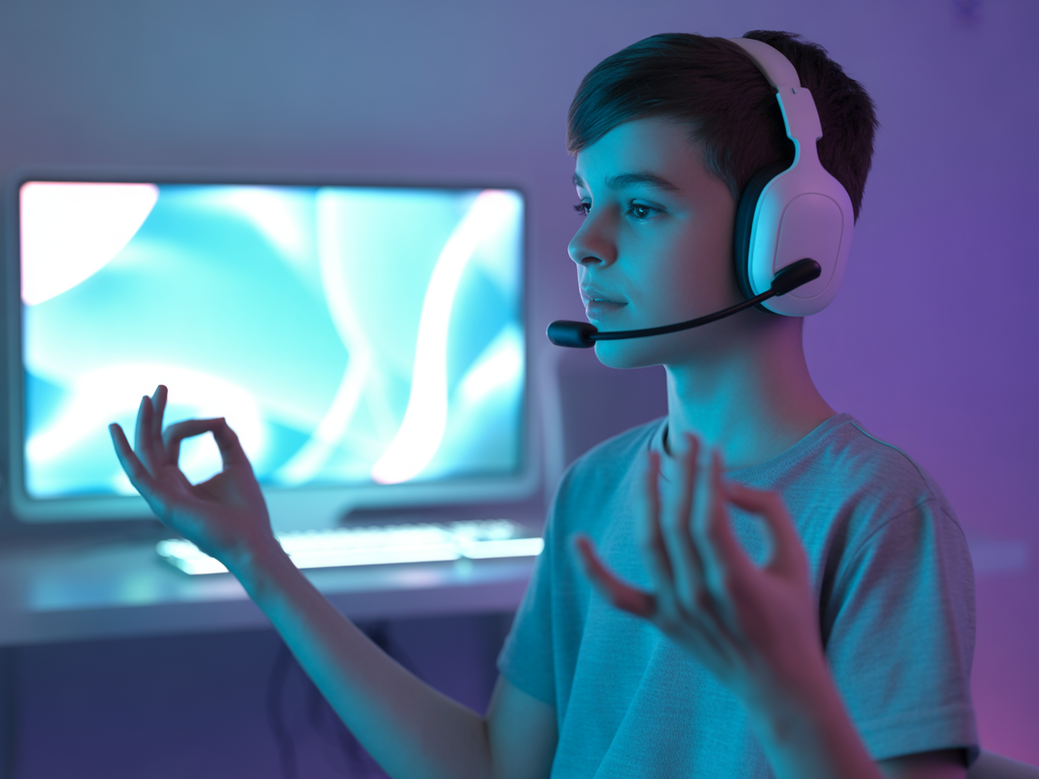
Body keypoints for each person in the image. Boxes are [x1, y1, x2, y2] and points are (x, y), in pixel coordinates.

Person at [109, 30, 978, 779]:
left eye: (640, 206)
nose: (584, 242)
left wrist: (786, 693)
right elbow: (497, 766)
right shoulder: (595, 488)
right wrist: (256, 557)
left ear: (787, 236)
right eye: (585, 202)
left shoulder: (873, 512)